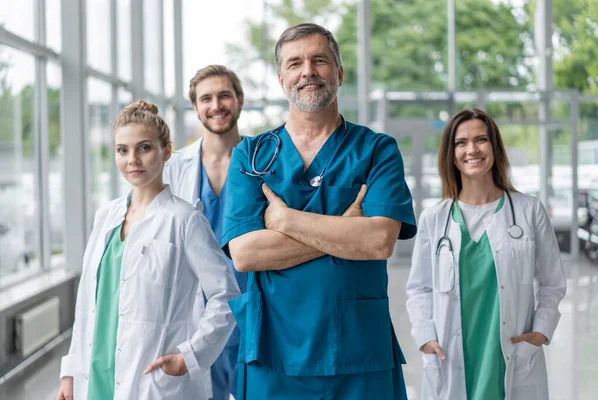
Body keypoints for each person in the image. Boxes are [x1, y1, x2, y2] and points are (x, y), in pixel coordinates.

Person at [221, 23, 417, 399]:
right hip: (273, 351)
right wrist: (344, 231)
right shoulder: (251, 155)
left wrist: (286, 220)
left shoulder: (377, 150)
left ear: (339, 73)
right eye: (295, 63)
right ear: (282, 79)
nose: (307, 71)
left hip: (359, 349)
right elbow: (245, 254)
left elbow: (378, 241)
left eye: (319, 60)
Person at [56, 101, 240, 400]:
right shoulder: (106, 217)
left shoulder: (184, 219)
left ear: (166, 151)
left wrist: (190, 356)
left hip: (151, 382)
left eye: (144, 148)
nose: (133, 160)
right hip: (94, 374)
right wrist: (69, 372)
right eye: (122, 150)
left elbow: (227, 294)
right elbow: (86, 303)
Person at [405, 108, 567, 400]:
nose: (472, 150)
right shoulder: (435, 218)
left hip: (511, 354)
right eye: (461, 142)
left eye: (481, 139)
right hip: (451, 355)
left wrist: (541, 331)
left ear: (494, 147)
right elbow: (419, 288)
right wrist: (425, 337)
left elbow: (552, 282)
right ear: (451, 153)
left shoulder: (529, 211)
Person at [163, 65, 247, 400]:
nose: (216, 105)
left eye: (224, 95)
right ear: (196, 107)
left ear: (239, 100)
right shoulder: (173, 168)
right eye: (206, 98)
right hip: (196, 316)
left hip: (252, 311)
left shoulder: (264, 161)